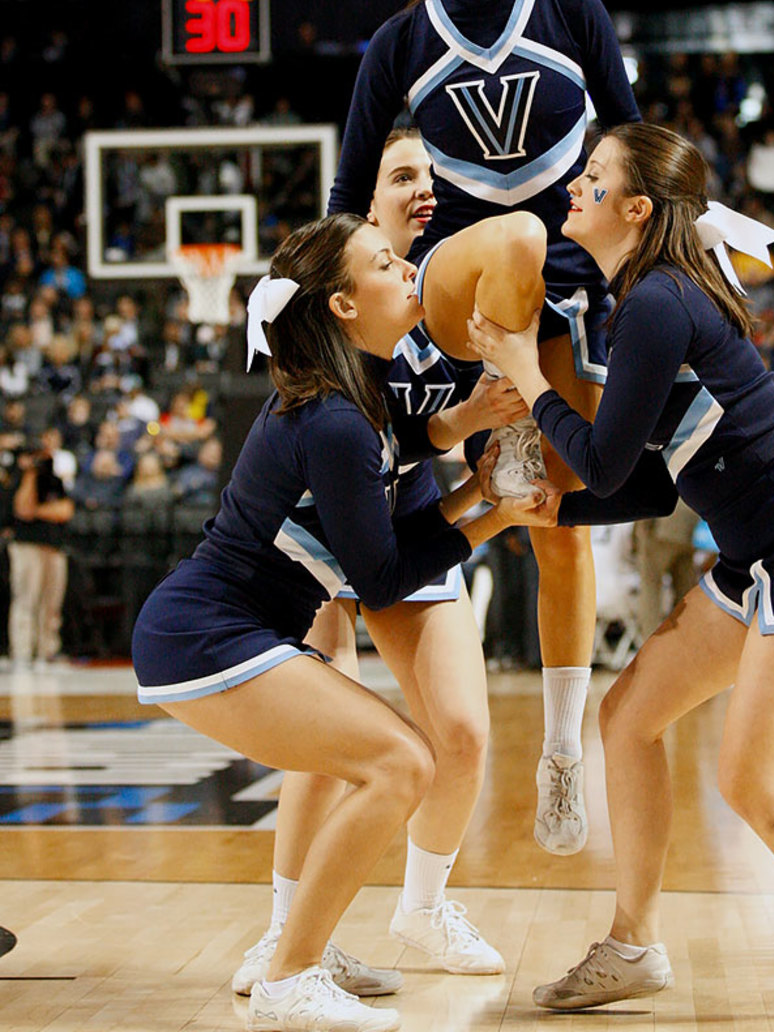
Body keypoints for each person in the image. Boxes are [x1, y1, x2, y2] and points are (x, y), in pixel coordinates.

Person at [468, 123, 774, 1025]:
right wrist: (555, 510)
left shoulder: (655, 301)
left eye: (592, 178)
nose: (574, 186)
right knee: (628, 716)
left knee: (751, 780)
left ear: (634, 209)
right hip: (759, 552)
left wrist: (523, 367)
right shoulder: (644, 296)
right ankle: (632, 945)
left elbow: (598, 460)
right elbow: (643, 475)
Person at [131, 212, 556, 1032]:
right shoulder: (331, 421)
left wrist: (478, 493)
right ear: (342, 307)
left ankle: (303, 950)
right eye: (387, 263)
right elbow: (384, 578)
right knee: (400, 763)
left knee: (391, 762)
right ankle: (290, 973)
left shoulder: (355, 402)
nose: (409, 272)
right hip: (206, 635)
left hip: (224, 632)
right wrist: (495, 521)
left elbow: (394, 532)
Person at [327, 0, 642, 854]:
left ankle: (560, 754)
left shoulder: (575, 11)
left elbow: (633, 151)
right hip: (462, 288)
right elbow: (345, 196)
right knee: (512, 236)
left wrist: (669, 256)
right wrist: (295, 288)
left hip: (563, 309)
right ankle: (501, 439)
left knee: (560, 526)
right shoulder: (397, 39)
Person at [232, 130, 526, 998]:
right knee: (324, 747)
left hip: (413, 522)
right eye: (404, 176)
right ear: (364, 203)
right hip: (330, 537)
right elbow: (348, 432)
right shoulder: (339, 288)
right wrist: (450, 429)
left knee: (463, 735)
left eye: (434, 175)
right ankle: (289, 932)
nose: (424, 189)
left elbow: (408, 436)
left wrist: (466, 432)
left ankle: (423, 907)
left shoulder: (447, 291)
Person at [8, 445, 74, 668]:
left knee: (51, 602)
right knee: (26, 599)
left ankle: (48, 650)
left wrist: (37, 511)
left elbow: (65, 510)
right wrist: (30, 474)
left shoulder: (55, 480)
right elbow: (22, 508)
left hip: (54, 548)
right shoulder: (18, 479)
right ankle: (23, 651)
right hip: (27, 547)